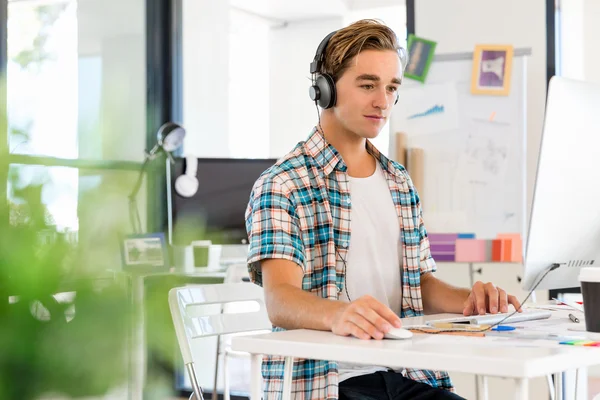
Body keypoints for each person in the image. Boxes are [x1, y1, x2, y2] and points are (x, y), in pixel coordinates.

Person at [245, 19, 521, 400]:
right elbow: (280, 300)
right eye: (368, 85)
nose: (383, 101)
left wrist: (472, 302)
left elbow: (417, 285)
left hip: (406, 374)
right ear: (324, 90)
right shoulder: (282, 184)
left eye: (392, 87)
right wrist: (337, 313)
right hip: (328, 383)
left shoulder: (398, 181)